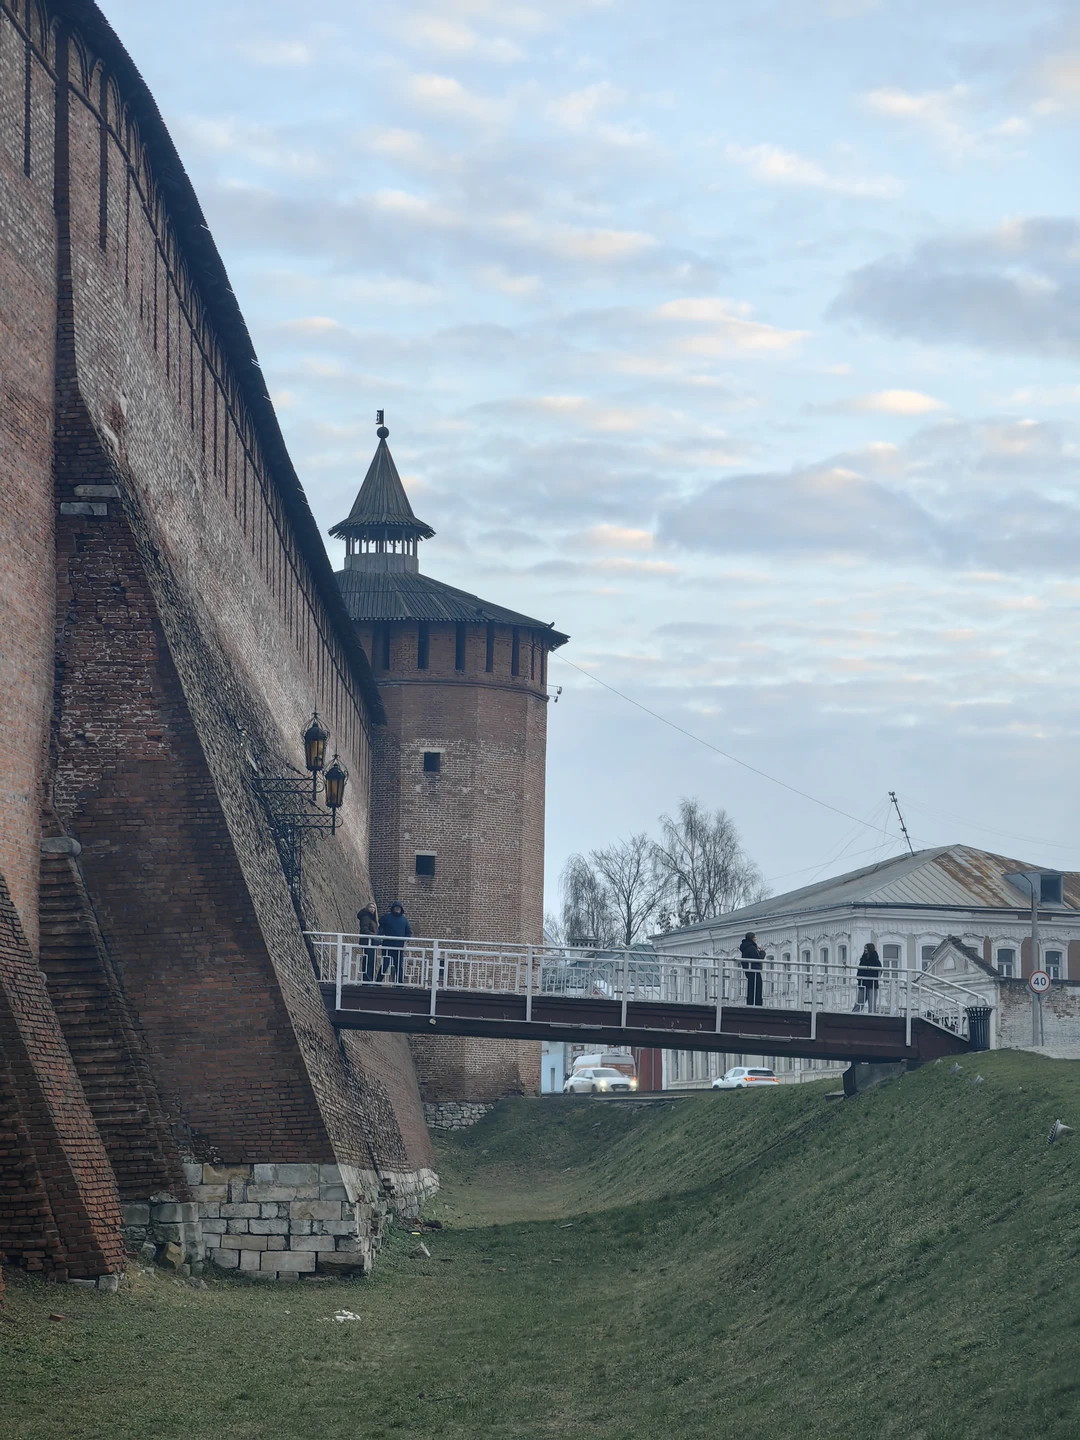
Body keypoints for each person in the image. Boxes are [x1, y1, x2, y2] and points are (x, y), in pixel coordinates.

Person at [378, 902, 412, 983]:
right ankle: (378, 981)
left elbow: (408, 932)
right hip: (387, 945)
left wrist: (405, 940)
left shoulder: (404, 920)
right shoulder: (387, 917)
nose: (397, 909)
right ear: (393, 908)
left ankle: (400, 983)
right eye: (396, 908)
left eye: (398, 908)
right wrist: (381, 935)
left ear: (401, 909)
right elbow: (381, 927)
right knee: (385, 964)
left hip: (399, 946)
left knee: (399, 965)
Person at [739, 931, 766, 1006]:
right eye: (754, 937)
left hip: (748, 970)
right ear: (752, 938)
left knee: (751, 987)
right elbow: (758, 958)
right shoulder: (751, 947)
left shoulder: (745, 947)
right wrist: (762, 952)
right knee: (757, 986)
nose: (755, 939)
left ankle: (750, 1002)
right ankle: (757, 1003)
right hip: (754, 969)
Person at [356, 903, 379, 982]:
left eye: (374, 908)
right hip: (367, 942)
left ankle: (370, 980)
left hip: (372, 942)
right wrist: (373, 935)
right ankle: (367, 980)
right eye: (371, 907)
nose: (372, 909)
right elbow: (364, 929)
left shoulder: (372, 918)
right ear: (367, 908)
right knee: (368, 961)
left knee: (372, 961)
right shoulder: (366, 917)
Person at [856, 941, 881, 1013]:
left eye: (866, 949)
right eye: (864, 949)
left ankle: (872, 1016)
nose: (865, 950)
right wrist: (859, 979)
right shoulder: (863, 959)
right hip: (863, 983)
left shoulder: (876, 960)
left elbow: (879, 972)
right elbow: (859, 970)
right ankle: (854, 1014)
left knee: (872, 1003)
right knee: (859, 1001)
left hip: (872, 985)